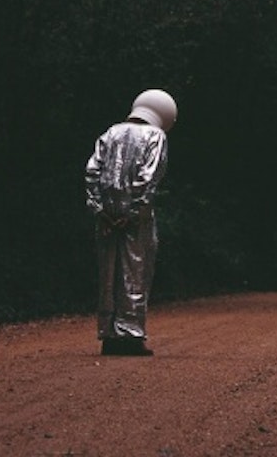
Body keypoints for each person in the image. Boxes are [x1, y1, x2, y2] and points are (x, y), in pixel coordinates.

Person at [85, 89, 177, 357]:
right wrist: (135, 210)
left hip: (106, 214)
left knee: (108, 271)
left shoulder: (111, 132)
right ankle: (130, 335)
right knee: (135, 270)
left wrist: (100, 209)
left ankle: (108, 334)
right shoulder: (155, 136)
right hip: (135, 216)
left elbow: (92, 171)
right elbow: (149, 178)